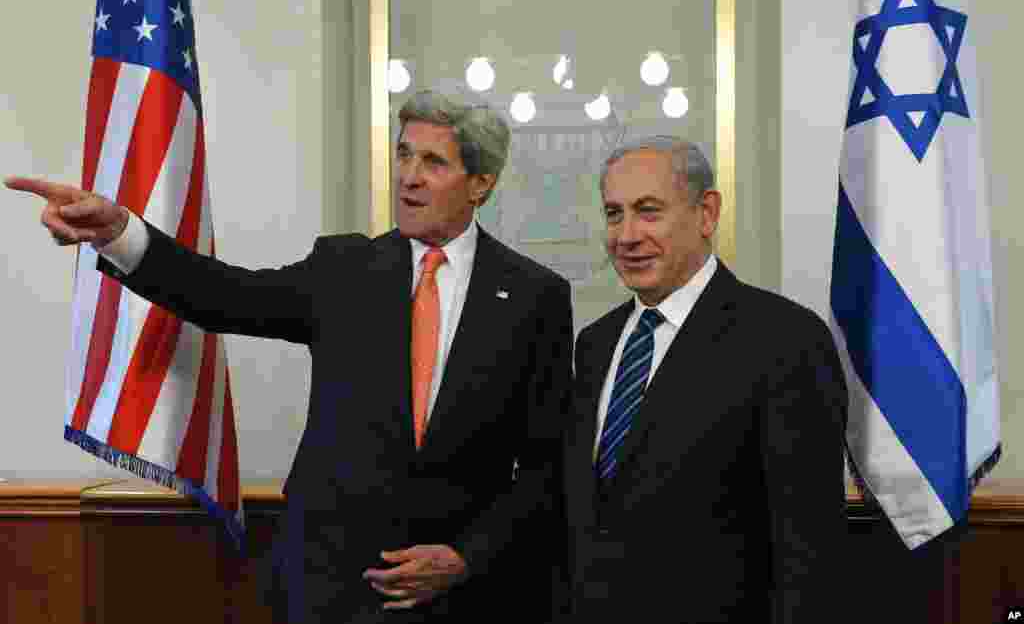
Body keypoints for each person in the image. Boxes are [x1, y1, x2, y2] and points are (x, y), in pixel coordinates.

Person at [6, 90, 573, 624]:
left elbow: (546, 467)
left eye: (434, 162)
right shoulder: (346, 268)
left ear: (481, 183)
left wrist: (463, 557)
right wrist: (119, 233)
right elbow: (223, 296)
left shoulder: (533, 297)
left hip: (464, 598)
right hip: (332, 588)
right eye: (404, 155)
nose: (409, 177)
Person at [562, 136, 847, 623]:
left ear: (707, 213)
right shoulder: (596, 343)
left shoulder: (784, 340)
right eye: (614, 214)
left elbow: (808, 550)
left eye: (648, 211)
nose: (626, 235)